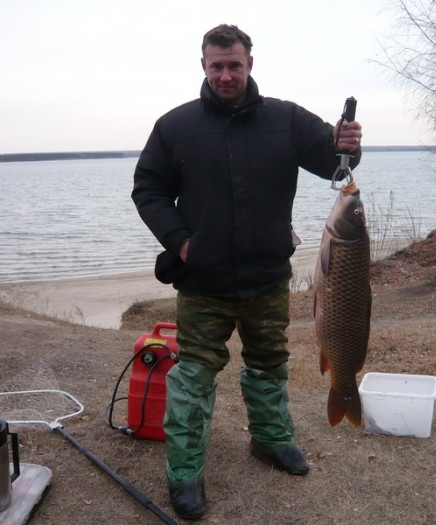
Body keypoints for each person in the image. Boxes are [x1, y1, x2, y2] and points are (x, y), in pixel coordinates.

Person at [132, 24, 362, 520]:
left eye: (234, 64)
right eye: (216, 65)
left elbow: (334, 165)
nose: (226, 74)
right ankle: (185, 473)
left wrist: (347, 145)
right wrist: (181, 242)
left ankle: (272, 441)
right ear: (203, 66)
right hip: (203, 281)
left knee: (269, 365)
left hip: (266, 278)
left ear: (250, 64)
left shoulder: (286, 120)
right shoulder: (175, 126)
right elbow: (147, 188)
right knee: (193, 376)